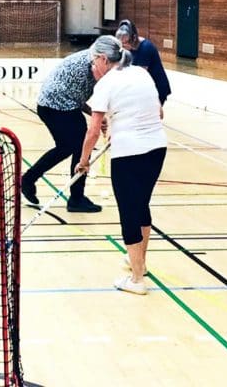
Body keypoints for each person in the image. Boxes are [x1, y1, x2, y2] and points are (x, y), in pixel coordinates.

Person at [75, 35, 167, 295]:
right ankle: (140, 263)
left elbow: (93, 131)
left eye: (94, 61)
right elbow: (158, 111)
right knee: (141, 205)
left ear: (104, 59)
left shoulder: (106, 84)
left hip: (129, 154)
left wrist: (83, 162)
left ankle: (137, 280)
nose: (93, 66)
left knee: (128, 211)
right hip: (157, 148)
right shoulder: (140, 73)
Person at [20, 49, 102, 213]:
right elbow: (78, 100)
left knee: (67, 147)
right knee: (79, 145)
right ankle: (76, 198)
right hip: (57, 106)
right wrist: (98, 115)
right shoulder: (87, 68)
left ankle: (28, 179)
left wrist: (96, 114)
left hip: (53, 105)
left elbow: (77, 99)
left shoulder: (93, 58)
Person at [115, 19, 172, 112]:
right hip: (143, 88)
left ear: (133, 38)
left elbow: (140, 76)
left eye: (125, 43)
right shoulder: (127, 48)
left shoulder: (145, 48)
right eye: (121, 43)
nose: (123, 46)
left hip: (156, 87)